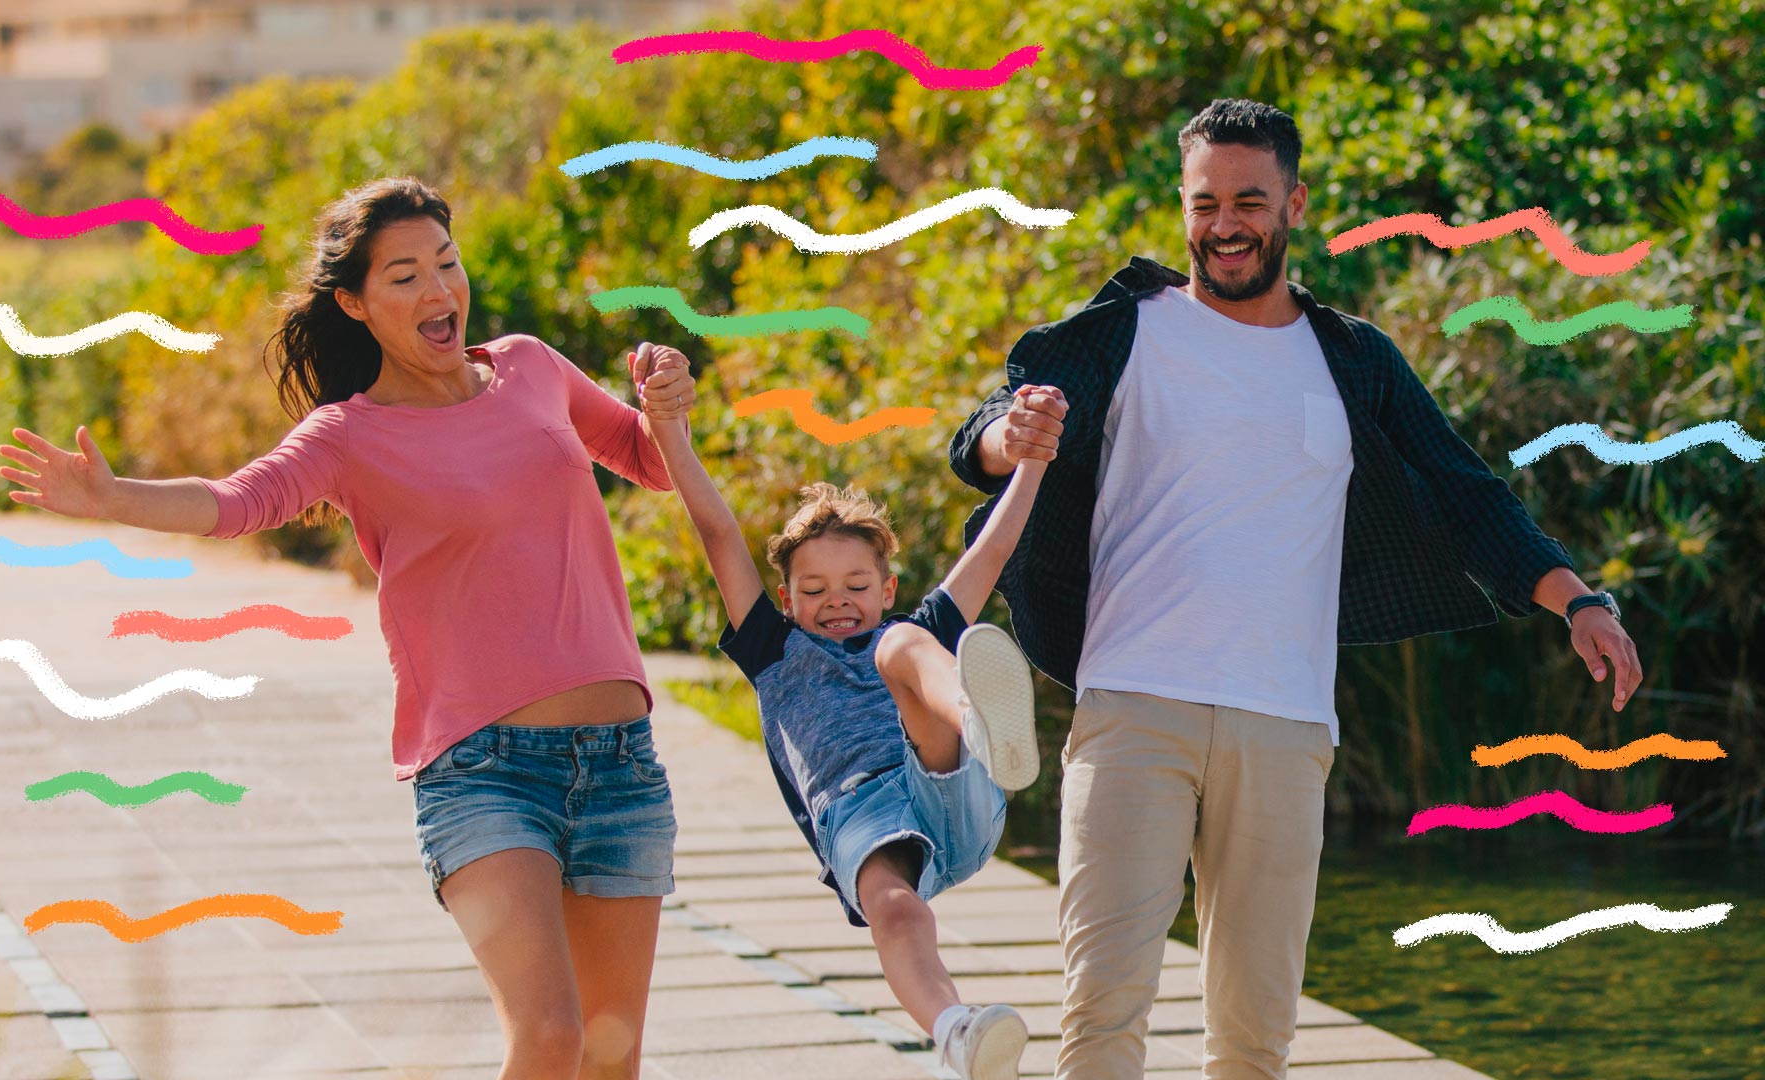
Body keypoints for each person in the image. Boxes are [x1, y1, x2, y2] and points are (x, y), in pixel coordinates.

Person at [947, 99, 1645, 1080]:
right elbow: (984, 429)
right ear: (1182, 208)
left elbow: (1462, 490)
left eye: (1248, 200)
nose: (1224, 224)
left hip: (1284, 726)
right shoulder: (1126, 332)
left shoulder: (1352, 358)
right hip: (1133, 706)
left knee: (1255, 1036)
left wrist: (1578, 601)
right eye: (1204, 203)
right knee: (1102, 1010)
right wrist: (1003, 438)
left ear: (1294, 204)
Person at [0, 177, 698, 1080]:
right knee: (551, 1036)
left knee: (610, 1055)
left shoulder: (530, 365)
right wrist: (112, 497)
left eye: (446, 264)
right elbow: (239, 501)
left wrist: (667, 403)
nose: (438, 291)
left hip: (620, 762)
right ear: (355, 303)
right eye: (403, 277)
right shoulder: (347, 436)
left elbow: (646, 459)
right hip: (484, 771)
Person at [644, 363, 1067, 1079]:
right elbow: (718, 530)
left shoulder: (907, 622)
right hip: (860, 816)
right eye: (813, 590)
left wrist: (1033, 460)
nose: (836, 602)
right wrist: (667, 433)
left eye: (856, 586)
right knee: (896, 913)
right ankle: (956, 1030)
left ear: (887, 586)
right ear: (785, 597)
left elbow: (992, 549)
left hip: (946, 778)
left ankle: (980, 721)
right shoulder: (774, 647)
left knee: (904, 645)